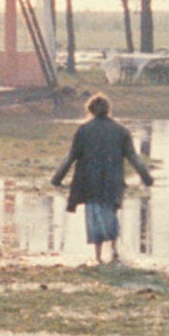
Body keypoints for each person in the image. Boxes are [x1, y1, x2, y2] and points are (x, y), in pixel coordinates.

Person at [50, 93, 154, 263]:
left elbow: (71, 156)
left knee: (94, 217)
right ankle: (114, 249)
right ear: (108, 109)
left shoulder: (83, 130)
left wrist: (57, 178)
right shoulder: (121, 130)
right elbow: (133, 157)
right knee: (111, 213)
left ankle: (98, 256)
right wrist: (146, 177)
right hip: (114, 181)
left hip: (89, 181)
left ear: (90, 110)